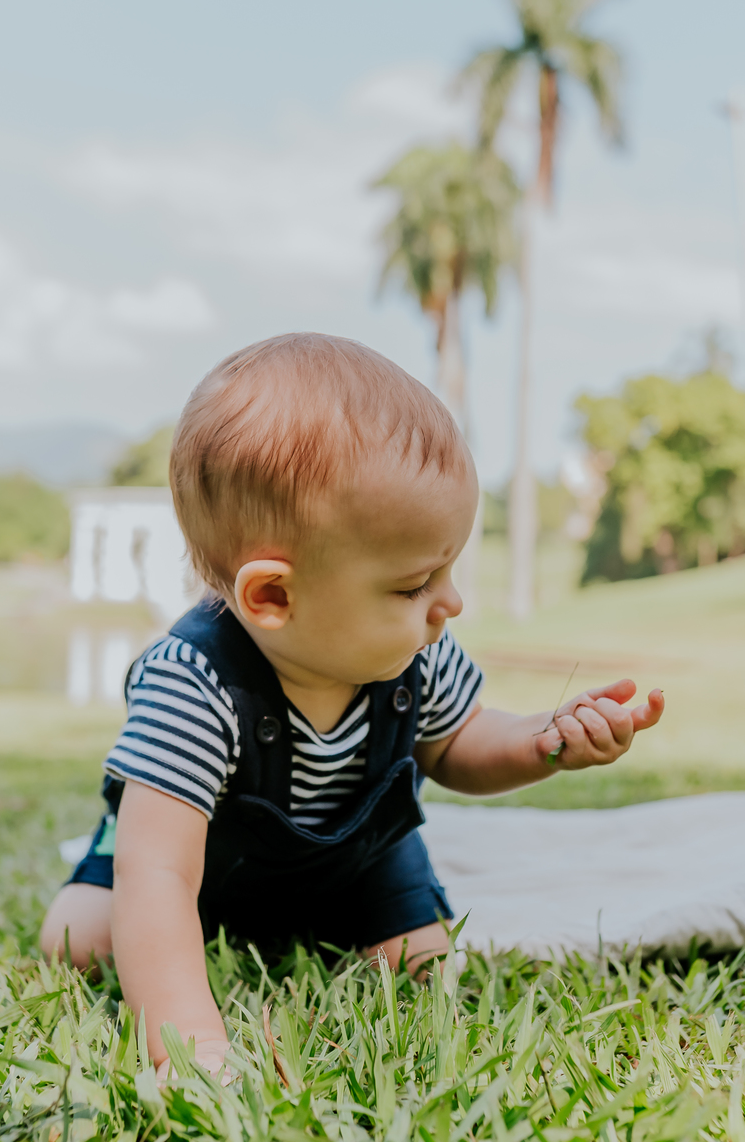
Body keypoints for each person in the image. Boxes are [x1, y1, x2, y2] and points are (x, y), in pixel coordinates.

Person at [40, 334, 665, 1075]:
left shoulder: (415, 652)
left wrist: (543, 741)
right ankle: (160, 908)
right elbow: (161, 873)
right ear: (273, 596)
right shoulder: (193, 683)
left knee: (425, 968)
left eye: (449, 570)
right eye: (413, 585)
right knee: (78, 940)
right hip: (203, 867)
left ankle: (323, 918)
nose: (450, 604)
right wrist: (190, 1043)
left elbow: (459, 742)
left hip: (359, 859)